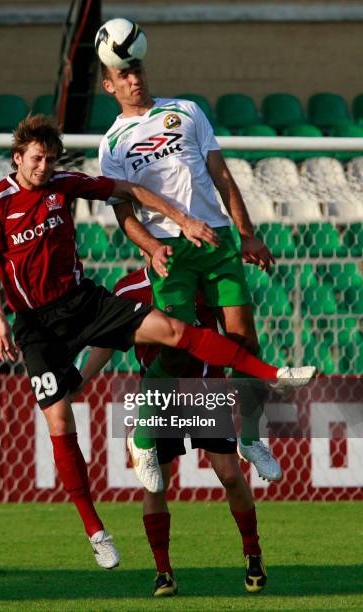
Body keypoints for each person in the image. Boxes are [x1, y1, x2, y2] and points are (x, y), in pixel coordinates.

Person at [0, 114, 314, 571]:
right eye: (37, 159)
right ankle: (102, 534)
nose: (45, 167)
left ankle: (270, 384)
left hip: (90, 306)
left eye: (52, 159)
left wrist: (183, 218)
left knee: (182, 347)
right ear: (19, 157)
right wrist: (0, 321)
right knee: (63, 423)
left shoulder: (65, 185)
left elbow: (127, 192)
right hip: (38, 326)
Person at [98, 47, 285, 481]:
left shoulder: (186, 111)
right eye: (122, 75)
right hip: (169, 248)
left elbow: (221, 174)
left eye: (136, 69)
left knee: (244, 342)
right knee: (177, 351)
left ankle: (251, 437)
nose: (133, 79)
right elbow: (125, 215)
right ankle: (142, 436)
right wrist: (152, 247)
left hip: (216, 240)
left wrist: (247, 232)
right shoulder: (112, 144)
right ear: (109, 85)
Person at [74, 266, 268, 596]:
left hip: (205, 386)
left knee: (230, 474)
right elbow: (105, 343)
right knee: (156, 483)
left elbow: (230, 329)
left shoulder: (198, 278)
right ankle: (163, 571)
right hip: (159, 397)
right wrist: (80, 382)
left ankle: (253, 553)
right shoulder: (127, 289)